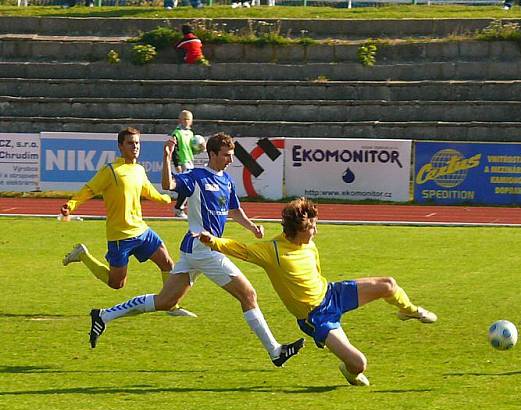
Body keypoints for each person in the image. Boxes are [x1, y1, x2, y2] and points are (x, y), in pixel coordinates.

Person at [87, 132, 305, 368]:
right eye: (226, 156)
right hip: (202, 248)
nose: (230, 160)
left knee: (165, 301)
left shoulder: (227, 181)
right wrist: (167, 157)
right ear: (212, 154)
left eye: (231, 156)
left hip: (199, 250)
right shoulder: (197, 177)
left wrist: (252, 227)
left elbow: (233, 210)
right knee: (248, 294)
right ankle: (275, 351)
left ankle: (104, 315)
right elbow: (168, 185)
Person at [196, 197, 437, 386]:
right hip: (316, 317)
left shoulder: (309, 243)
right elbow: (242, 249)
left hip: (331, 294)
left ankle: (410, 311)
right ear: (299, 230)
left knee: (388, 284)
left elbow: (316, 270)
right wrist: (213, 241)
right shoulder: (273, 251)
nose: (316, 232)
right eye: (312, 228)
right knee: (359, 364)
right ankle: (348, 370)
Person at [60, 127, 195, 317]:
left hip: (141, 230)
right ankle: (82, 255)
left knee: (167, 263)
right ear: (120, 146)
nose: (135, 146)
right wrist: (71, 204)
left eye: (137, 143)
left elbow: (147, 190)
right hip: (120, 236)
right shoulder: (111, 170)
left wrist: (164, 198)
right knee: (117, 284)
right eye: (130, 143)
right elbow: (90, 189)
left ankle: (171, 305)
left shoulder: (139, 169)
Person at [170, 110, 199, 219]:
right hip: (183, 163)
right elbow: (174, 149)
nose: (186, 121)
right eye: (184, 119)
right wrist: (177, 163)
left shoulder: (191, 133)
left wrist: (200, 149)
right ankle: (179, 209)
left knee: (189, 186)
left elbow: (191, 149)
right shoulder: (176, 133)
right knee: (187, 186)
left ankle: (181, 208)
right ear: (180, 120)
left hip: (190, 161)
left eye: (188, 119)